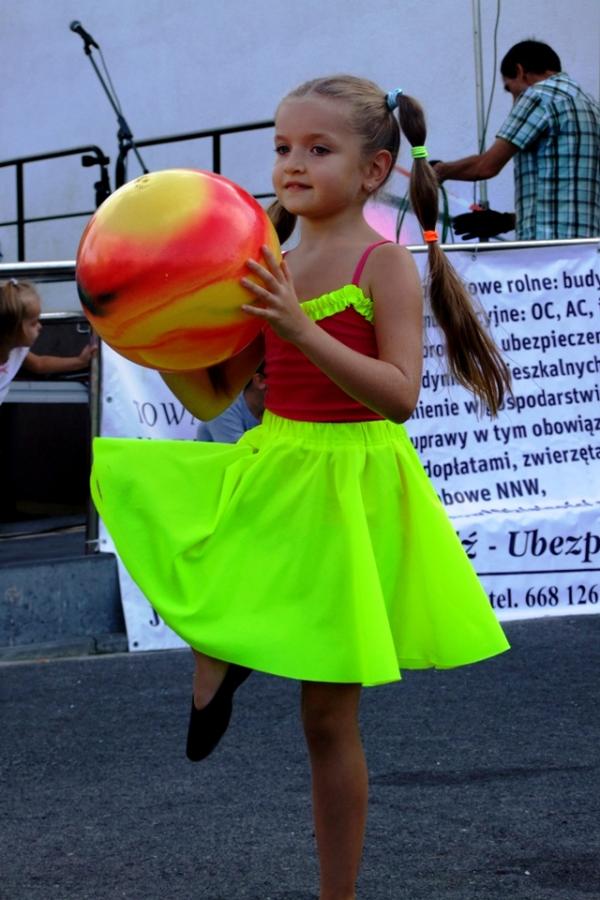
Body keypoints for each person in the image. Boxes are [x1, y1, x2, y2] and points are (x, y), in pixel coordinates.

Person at [91, 75, 511, 900]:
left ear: (374, 170)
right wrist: (147, 330)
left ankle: (336, 893)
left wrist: (297, 325)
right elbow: (216, 393)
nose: (292, 164)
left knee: (326, 717)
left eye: (318, 149)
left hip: (352, 483)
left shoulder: (381, 263)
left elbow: (399, 396)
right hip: (280, 464)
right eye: (283, 147)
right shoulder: (266, 258)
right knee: (182, 529)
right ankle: (219, 658)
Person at [432, 40, 600, 241]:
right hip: (588, 250)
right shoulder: (591, 106)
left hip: (546, 248)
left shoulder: (538, 95)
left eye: (510, 90)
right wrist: (507, 221)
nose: (514, 102)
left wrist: (439, 171)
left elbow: (485, 167)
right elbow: (569, 199)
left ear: (520, 71)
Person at [0, 279, 96, 404]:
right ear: (12, 329)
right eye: (33, 323)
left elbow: (39, 364)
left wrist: (80, 361)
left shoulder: (16, 349)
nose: (40, 326)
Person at [195, 365, 266, 442]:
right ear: (260, 381)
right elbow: (237, 449)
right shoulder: (223, 407)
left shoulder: (270, 411)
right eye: (275, 377)